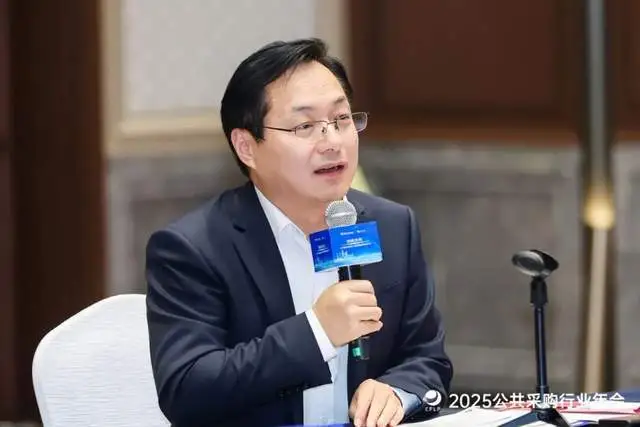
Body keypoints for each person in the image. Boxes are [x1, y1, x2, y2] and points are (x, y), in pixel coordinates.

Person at [145, 38, 453, 427]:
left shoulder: (392, 226)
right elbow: (188, 391)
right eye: (305, 126)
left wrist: (398, 390)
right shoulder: (193, 249)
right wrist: (317, 332)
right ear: (247, 147)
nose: (333, 142)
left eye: (341, 120)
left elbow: (427, 359)